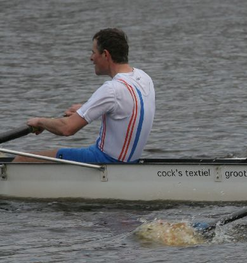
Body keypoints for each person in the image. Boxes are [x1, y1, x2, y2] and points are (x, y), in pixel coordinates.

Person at [14, 28, 155, 163]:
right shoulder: (144, 78)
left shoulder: (111, 89)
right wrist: (86, 108)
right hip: (129, 161)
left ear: (105, 54)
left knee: (22, 160)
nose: (91, 58)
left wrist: (40, 122)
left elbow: (67, 129)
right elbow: (129, 109)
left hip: (105, 161)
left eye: (93, 52)